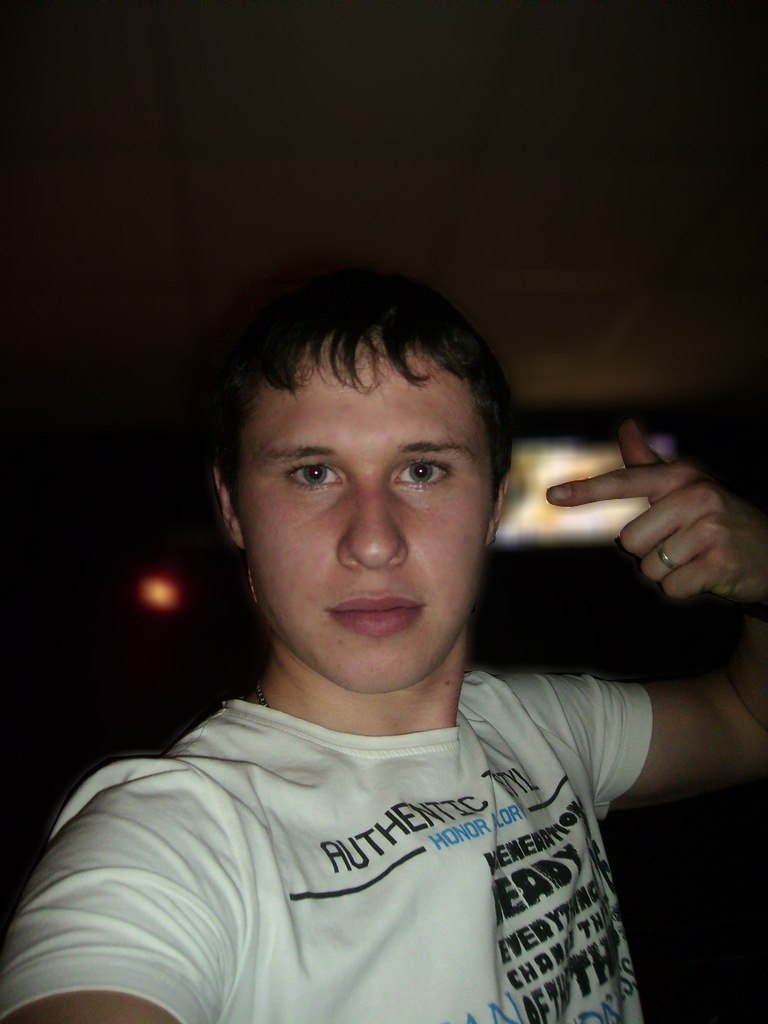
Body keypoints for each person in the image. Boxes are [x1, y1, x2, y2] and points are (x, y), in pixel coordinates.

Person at [0, 270, 766, 1024]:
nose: (372, 542)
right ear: (233, 510)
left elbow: (749, 718)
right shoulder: (173, 839)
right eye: (313, 473)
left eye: (423, 470)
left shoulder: (548, 726)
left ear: (494, 504)